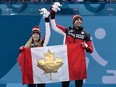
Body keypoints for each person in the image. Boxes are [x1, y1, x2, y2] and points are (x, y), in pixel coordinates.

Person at [49, 2, 93, 87]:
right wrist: (53, 14)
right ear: (73, 22)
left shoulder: (86, 34)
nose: (79, 21)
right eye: (77, 19)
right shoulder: (68, 30)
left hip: (78, 62)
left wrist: (86, 47)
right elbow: (54, 26)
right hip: (66, 61)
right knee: (65, 84)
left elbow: (91, 49)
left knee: (78, 84)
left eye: (80, 20)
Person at [20, 8, 50, 87]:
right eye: (34, 34)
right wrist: (21, 50)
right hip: (31, 71)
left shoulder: (43, 43)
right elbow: (22, 58)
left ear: (39, 35)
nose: (35, 35)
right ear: (31, 35)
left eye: (37, 34)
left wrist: (47, 20)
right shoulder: (27, 46)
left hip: (41, 71)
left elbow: (48, 34)